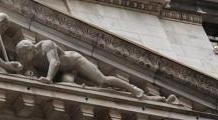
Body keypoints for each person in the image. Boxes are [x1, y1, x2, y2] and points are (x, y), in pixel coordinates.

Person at [15, 38, 148, 96]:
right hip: (63, 74)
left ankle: (134, 90)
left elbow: (55, 62)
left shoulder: (46, 45)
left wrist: (49, 78)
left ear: (30, 49)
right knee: (70, 87)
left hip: (74, 62)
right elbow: (28, 72)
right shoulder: (29, 59)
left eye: (25, 55)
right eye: (23, 57)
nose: (25, 59)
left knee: (102, 80)